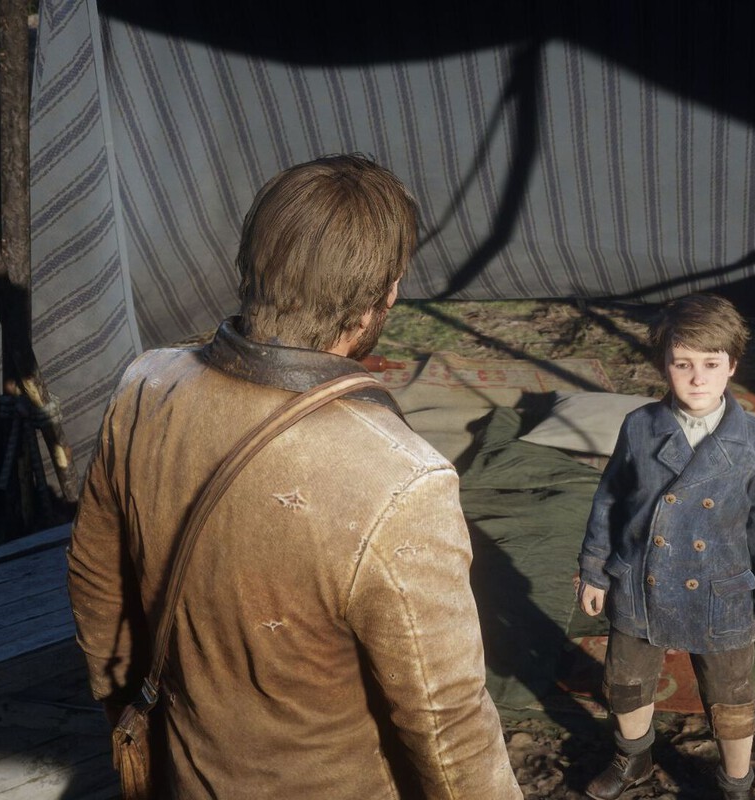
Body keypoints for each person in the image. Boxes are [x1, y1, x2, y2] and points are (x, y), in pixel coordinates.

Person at [67, 155, 521, 799]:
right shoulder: (403, 481)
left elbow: (95, 578)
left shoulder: (146, 383)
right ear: (383, 296)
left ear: (251, 260)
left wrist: (126, 711)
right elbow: (447, 723)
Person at [576, 293, 755, 800]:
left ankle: (736, 783)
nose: (698, 379)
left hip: (721, 590)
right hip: (640, 579)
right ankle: (633, 758)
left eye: (711, 364)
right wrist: (594, 570)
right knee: (626, 683)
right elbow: (610, 500)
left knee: (731, 698)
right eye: (683, 364)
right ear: (664, 365)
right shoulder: (640, 426)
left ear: (732, 366)